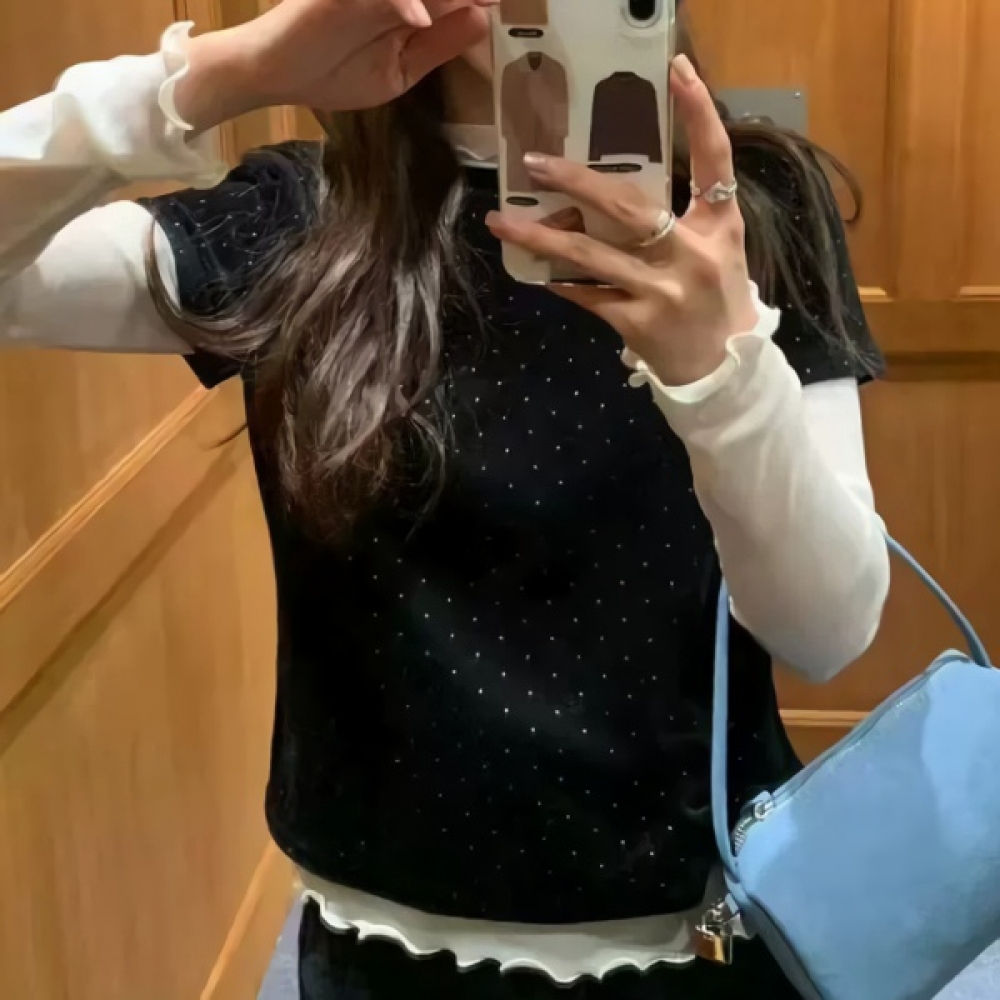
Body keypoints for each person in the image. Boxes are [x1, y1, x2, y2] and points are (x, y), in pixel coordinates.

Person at [0, 0, 891, 995]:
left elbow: (829, 630)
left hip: (697, 936)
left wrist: (720, 375)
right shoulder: (302, 217)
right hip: (384, 953)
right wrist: (225, 72)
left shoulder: (747, 205)